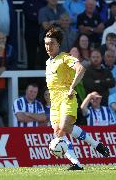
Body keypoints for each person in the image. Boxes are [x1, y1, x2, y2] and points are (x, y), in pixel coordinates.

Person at [45, 27, 109, 171]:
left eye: (51, 43)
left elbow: (81, 69)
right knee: (58, 132)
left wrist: (72, 87)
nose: (48, 46)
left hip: (67, 97)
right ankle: (76, 164)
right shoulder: (48, 63)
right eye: (46, 43)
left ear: (58, 44)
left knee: (64, 127)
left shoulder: (65, 58)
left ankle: (95, 145)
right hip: (54, 103)